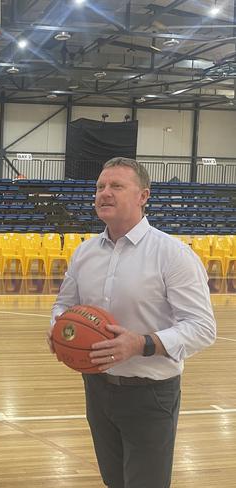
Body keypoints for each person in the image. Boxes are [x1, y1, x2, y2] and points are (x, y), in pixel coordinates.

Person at [49, 157, 216, 488]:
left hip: (150, 393)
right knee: (114, 480)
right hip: (96, 388)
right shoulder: (84, 253)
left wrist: (142, 343)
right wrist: (57, 330)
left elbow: (202, 327)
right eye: (100, 187)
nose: (104, 193)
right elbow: (64, 305)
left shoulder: (173, 254)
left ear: (143, 196)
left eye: (116, 186)